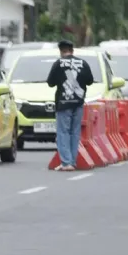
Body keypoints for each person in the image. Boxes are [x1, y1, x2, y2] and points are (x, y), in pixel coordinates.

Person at [47, 39, 94, 171]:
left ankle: (66, 162)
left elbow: (50, 83)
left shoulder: (58, 64)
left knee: (63, 132)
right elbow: (90, 81)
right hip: (78, 103)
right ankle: (72, 161)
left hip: (63, 103)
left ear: (61, 51)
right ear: (72, 51)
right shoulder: (83, 63)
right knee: (75, 133)